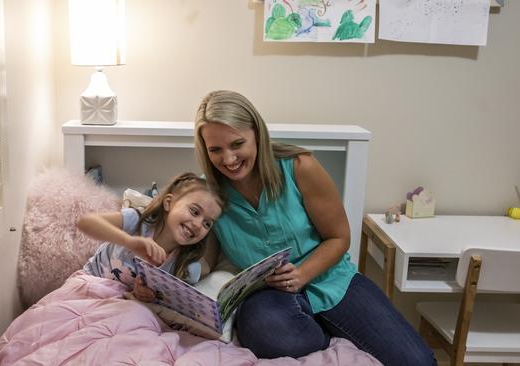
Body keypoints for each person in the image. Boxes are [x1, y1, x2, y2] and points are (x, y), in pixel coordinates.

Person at [193, 90, 436, 365]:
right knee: (264, 334)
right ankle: (324, 337)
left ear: (257, 135)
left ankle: (326, 325)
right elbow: (207, 259)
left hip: (330, 280)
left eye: (237, 144)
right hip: (267, 295)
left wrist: (301, 274)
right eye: (215, 150)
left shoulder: (299, 167)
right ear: (205, 149)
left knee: (418, 361)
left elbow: (339, 237)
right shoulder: (208, 193)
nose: (228, 159)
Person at [78, 172, 223, 302]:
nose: (198, 225)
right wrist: (129, 241)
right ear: (168, 203)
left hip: (121, 305)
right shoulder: (138, 221)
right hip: (90, 286)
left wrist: (144, 296)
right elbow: (85, 222)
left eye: (207, 224)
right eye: (194, 211)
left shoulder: (185, 265)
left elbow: (205, 269)